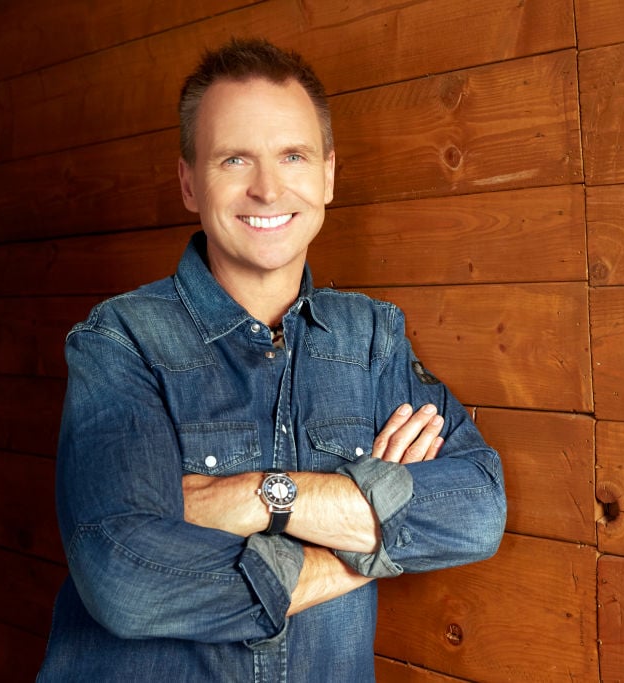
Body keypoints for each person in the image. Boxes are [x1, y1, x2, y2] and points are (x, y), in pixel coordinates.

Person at [37, 38, 506, 681]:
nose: (266, 188)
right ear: (189, 182)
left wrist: (259, 497)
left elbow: (477, 509)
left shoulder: (372, 338)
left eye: (293, 156)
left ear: (328, 176)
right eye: (234, 159)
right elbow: (127, 582)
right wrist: (362, 547)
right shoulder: (122, 340)